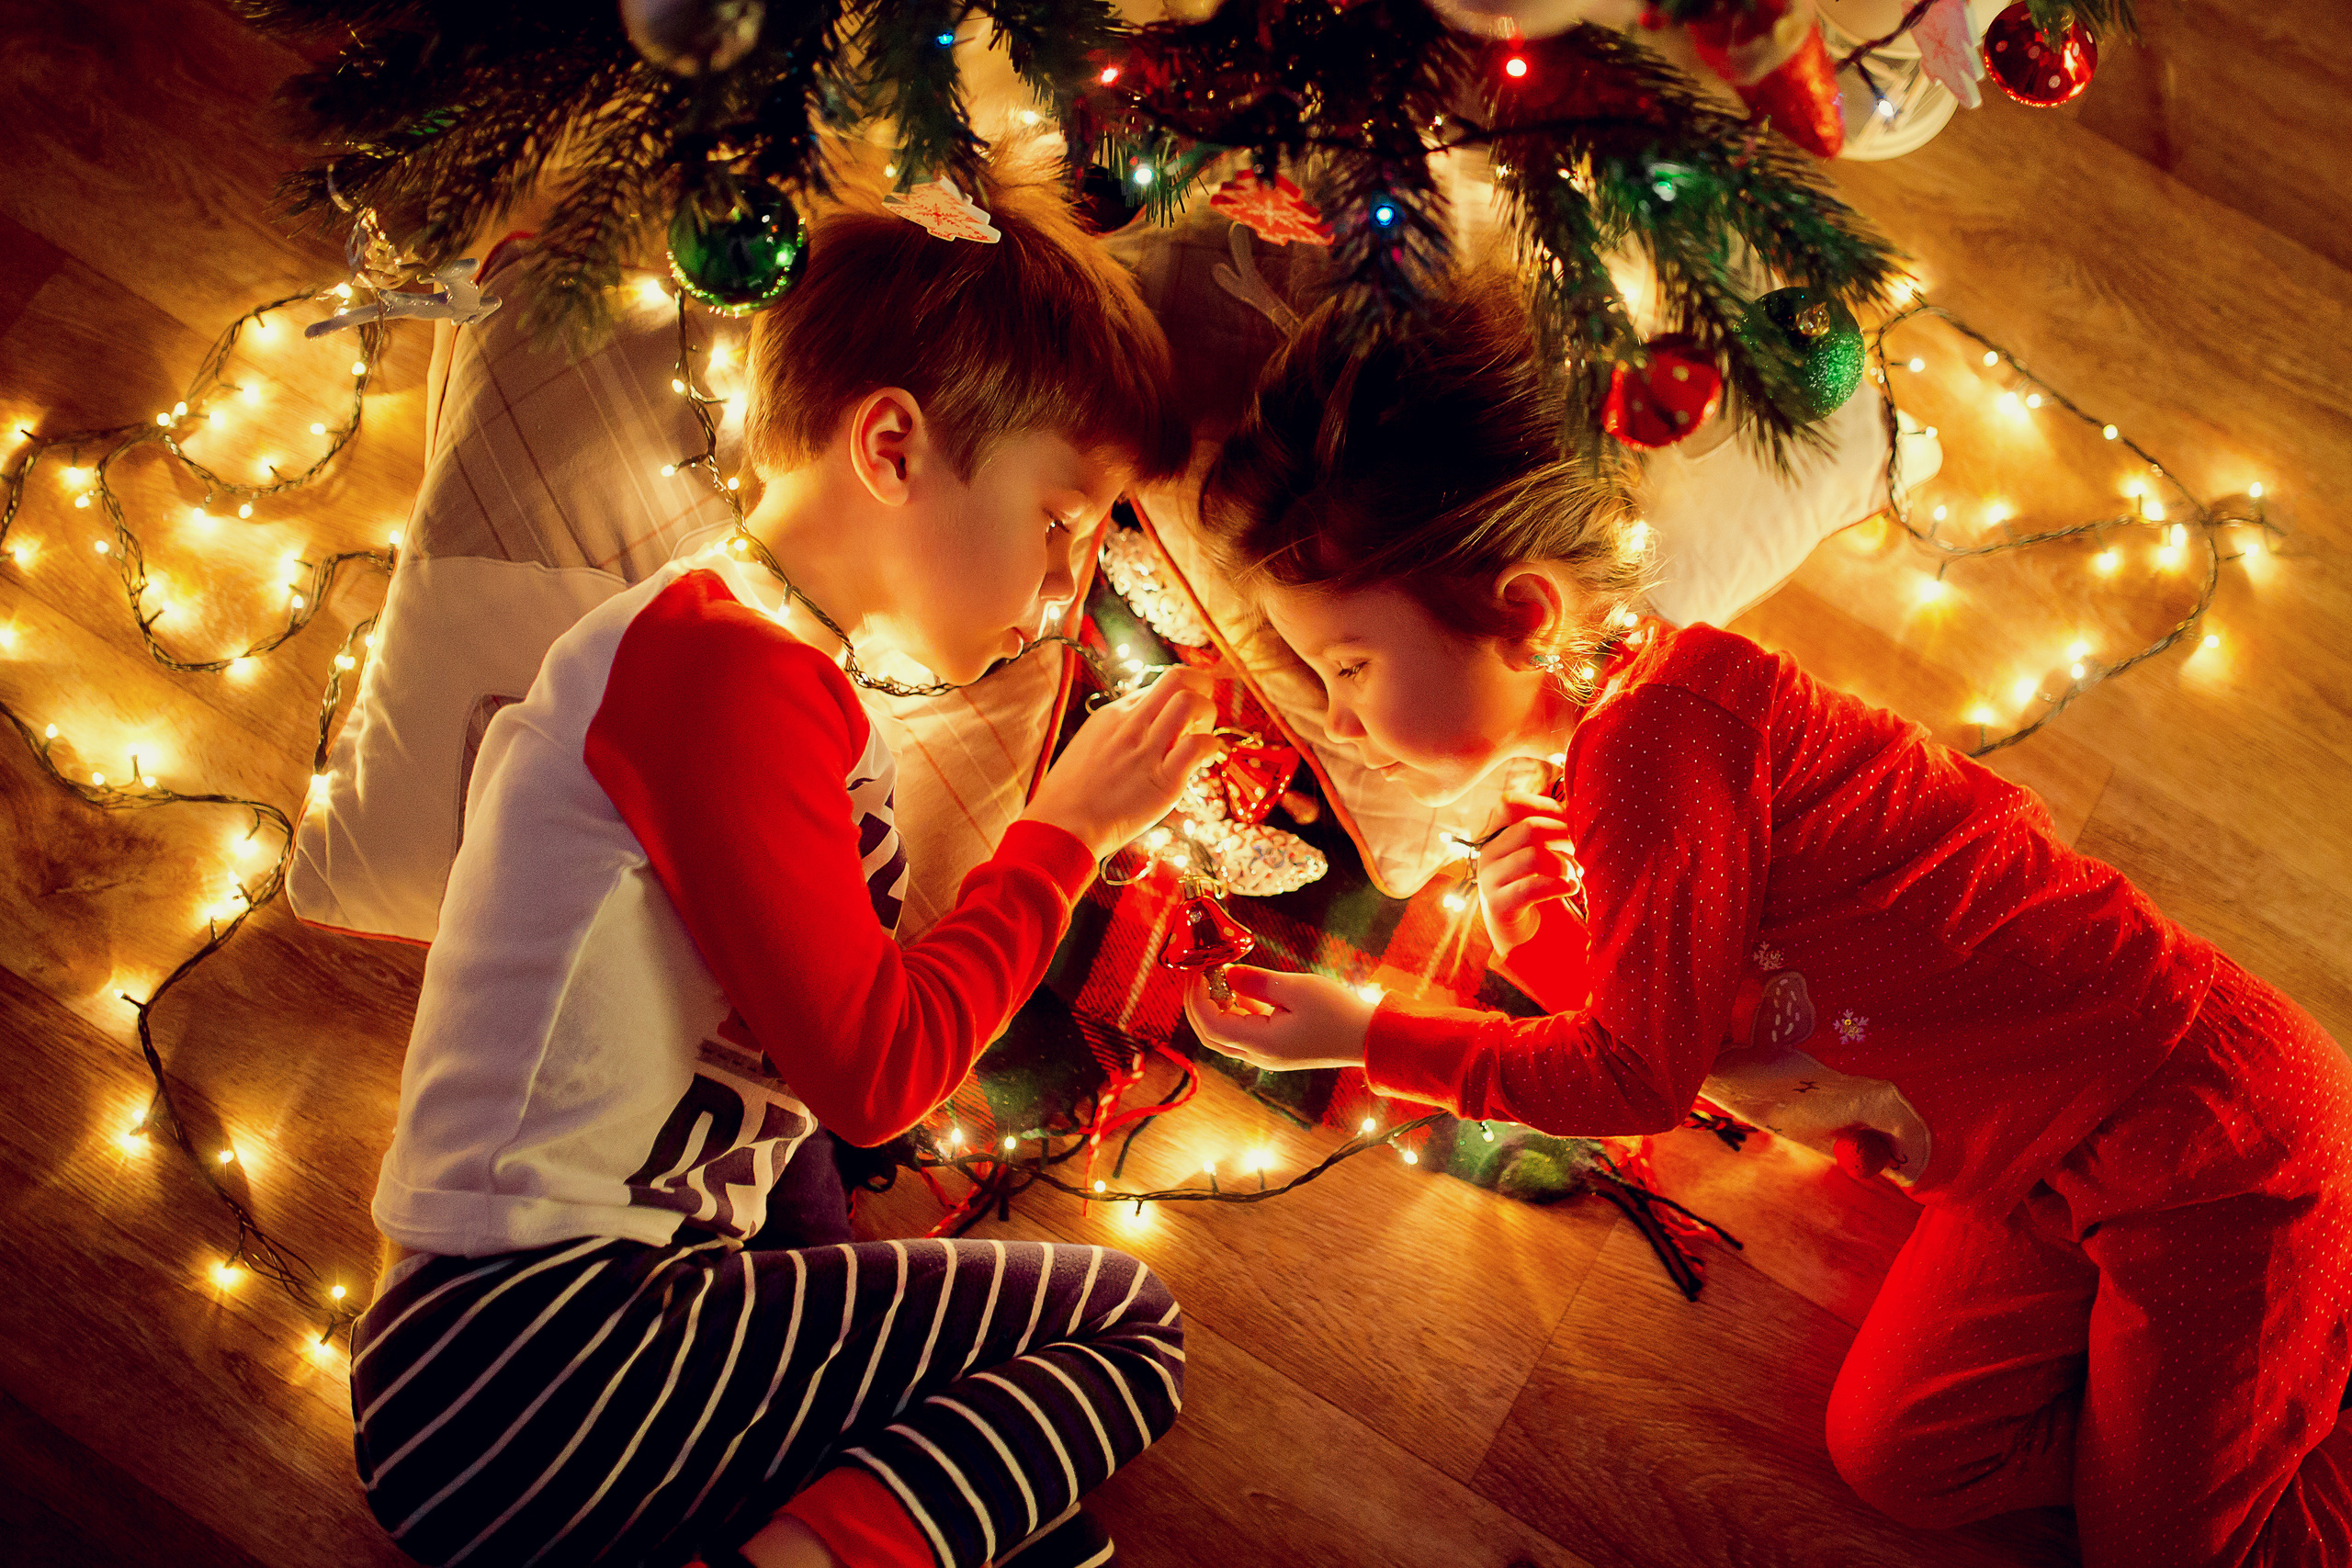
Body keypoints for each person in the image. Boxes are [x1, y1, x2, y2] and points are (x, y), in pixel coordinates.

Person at [1181, 272, 2352, 1568]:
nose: (1337, 717)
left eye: (1348, 667)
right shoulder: (1626, 738)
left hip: (2204, 1144)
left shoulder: (1651, 746)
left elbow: (1638, 1074)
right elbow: (1728, 1020)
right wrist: (1559, 957)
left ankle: (2290, 1347)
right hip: (2043, 1178)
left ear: (1523, 615)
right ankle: (2247, 1377)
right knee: (1905, 1460)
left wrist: (1373, 1035)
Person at [351, 167, 1214, 1568]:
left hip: (596, 1358)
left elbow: (790, 1122)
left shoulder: (778, 677)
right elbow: (871, 1075)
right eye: (1059, 523)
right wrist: (1062, 837)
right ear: (891, 448)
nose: (1066, 588)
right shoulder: (717, 674)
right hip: (529, 1361)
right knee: (1123, 1327)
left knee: (1036, 1522)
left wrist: (854, 1295)